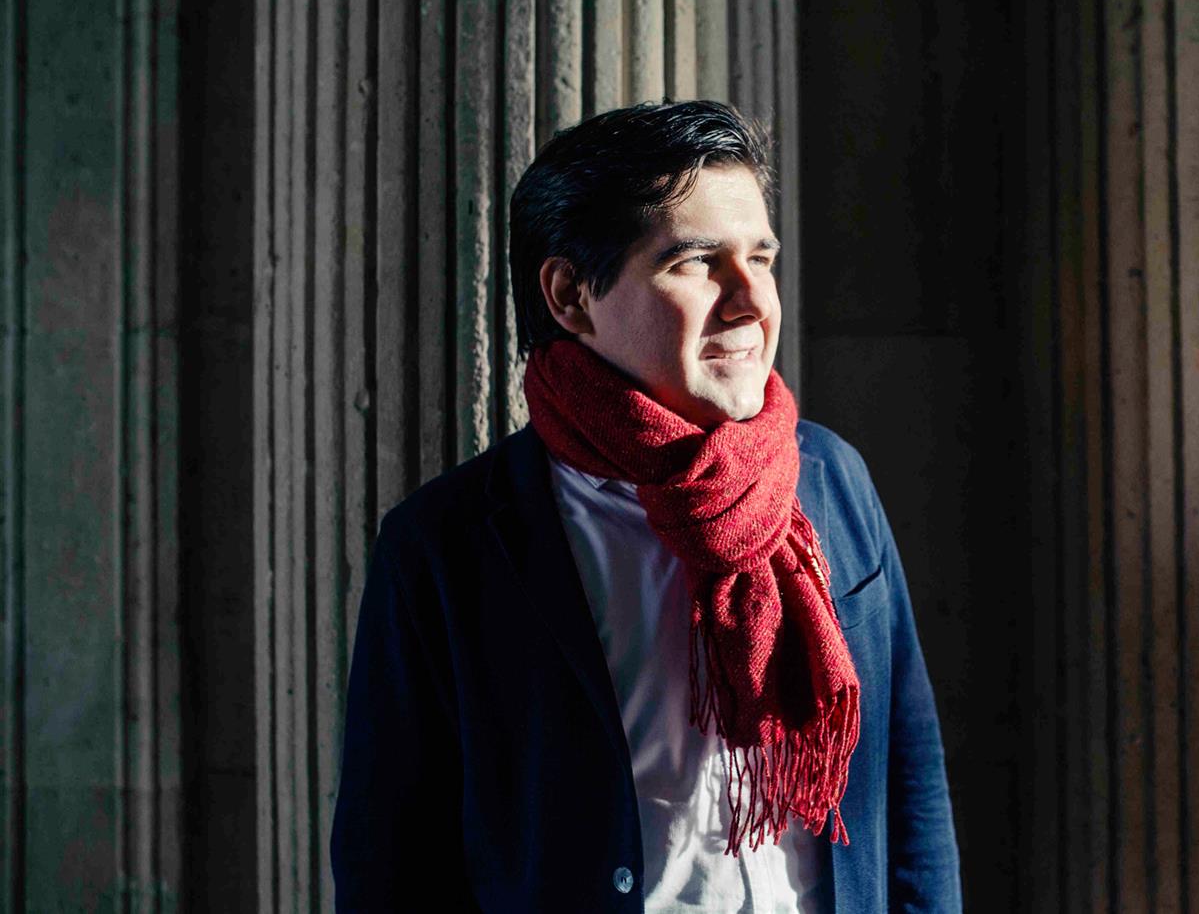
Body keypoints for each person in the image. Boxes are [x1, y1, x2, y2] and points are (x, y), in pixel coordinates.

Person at [329, 99, 961, 912]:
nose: (750, 300)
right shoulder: (446, 546)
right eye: (697, 262)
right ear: (570, 295)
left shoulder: (833, 480)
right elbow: (392, 867)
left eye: (760, 258)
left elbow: (909, 785)